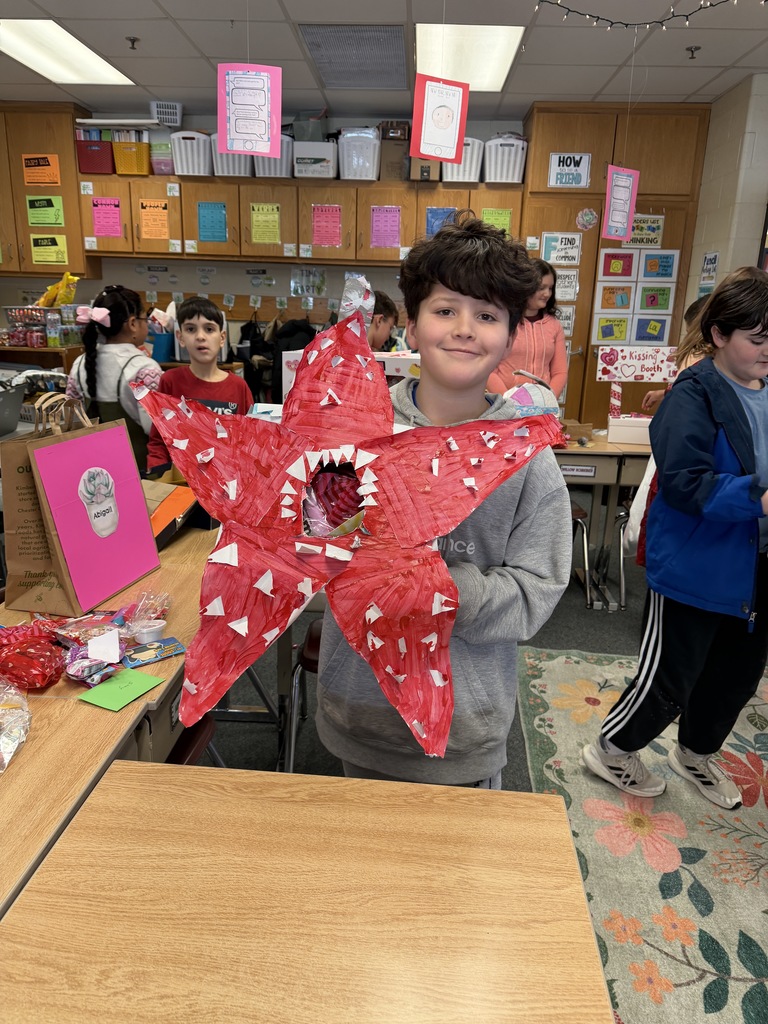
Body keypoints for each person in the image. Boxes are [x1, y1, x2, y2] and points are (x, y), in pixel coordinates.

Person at [316, 215, 572, 788]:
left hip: (466, 726)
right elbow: (306, 546)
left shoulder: (527, 456)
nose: (464, 329)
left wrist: (442, 588)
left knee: (456, 875)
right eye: (445, 310)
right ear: (411, 325)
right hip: (359, 708)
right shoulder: (355, 432)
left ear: (510, 336)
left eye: (486, 316)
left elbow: (538, 587)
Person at [583, 267, 768, 809]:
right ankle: (613, 750)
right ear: (719, 335)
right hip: (694, 568)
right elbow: (686, 485)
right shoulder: (693, 395)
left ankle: (696, 754)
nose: (767, 349)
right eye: (757, 339)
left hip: (754, 572)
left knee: (734, 678)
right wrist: (758, 499)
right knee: (669, 678)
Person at [146, 297, 253, 473]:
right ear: (180, 337)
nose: (201, 337)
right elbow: (158, 441)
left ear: (221, 338)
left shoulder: (238, 387)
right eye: (190, 329)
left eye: (209, 329)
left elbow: (249, 442)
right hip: (180, 483)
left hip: (225, 486)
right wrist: (159, 478)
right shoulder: (170, 381)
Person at [67, 284, 162, 473]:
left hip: (93, 472)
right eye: (145, 319)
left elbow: (71, 422)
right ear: (133, 323)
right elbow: (156, 430)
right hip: (141, 472)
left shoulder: (79, 364)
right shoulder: (144, 368)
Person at [486, 258, 569, 401]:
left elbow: (560, 372)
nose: (547, 294)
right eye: (541, 288)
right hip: (503, 403)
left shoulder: (554, 326)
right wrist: (509, 401)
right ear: (525, 288)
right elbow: (488, 369)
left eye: (550, 288)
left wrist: (547, 401)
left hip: (541, 407)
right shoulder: (503, 322)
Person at [641, 295, 710, 413]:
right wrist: (663, 393)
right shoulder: (698, 354)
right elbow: (686, 390)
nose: (688, 337)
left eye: (690, 332)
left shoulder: (701, 358)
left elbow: (688, 394)